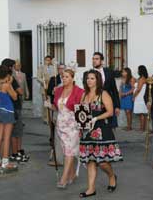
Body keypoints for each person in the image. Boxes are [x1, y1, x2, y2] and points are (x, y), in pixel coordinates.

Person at [79, 70, 123, 198]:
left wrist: (96, 118)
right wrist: (81, 123)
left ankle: (111, 176)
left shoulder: (103, 94)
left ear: (97, 80)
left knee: (102, 161)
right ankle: (91, 188)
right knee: (90, 160)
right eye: (87, 78)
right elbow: (81, 112)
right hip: (87, 131)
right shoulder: (84, 94)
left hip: (102, 129)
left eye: (92, 78)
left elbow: (110, 112)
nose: (89, 81)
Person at [45, 68, 84, 187]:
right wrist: (49, 105)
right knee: (67, 151)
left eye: (67, 76)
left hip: (73, 125)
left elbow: (81, 111)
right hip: (60, 125)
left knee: (69, 151)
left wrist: (81, 127)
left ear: (73, 78)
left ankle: (64, 178)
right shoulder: (58, 90)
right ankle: (72, 174)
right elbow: (57, 107)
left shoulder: (79, 91)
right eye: (63, 77)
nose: (64, 79)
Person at [1, 59, 29, 163]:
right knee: (16, 132)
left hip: (5, 108)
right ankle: (15, 153)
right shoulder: (11, 79)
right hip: (15, 108)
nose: (14, 68)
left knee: (12, 132)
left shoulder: (1, 80)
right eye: (12, 66)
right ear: (9, 68)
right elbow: (19, 92)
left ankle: (16, 152)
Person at [83, 52, 120, 128]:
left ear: (102, 61)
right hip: (93, 106)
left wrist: (117, 106)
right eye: (93, 59)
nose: (94, 61)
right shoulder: (86, 74)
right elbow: (86, 90)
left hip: (107, 105)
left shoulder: (109, 72)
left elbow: (114, 90)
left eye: (96, 59)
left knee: (108, 127)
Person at [0, 65, 18, 169]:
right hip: (8, 112)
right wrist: (10, 83)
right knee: (7, 138)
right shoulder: (7, 85)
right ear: (7, 75)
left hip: (0, 111)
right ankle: (5, 162)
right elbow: (15, 97)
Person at [37, 55, 56, 123]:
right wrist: (44, 82)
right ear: (44, 60)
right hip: (44, 87)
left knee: (51, 103)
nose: (48, 61)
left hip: (51, 88)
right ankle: (46, 118)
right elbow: (38, 77)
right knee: (46, 103)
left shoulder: (53, 67)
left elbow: (55, 76)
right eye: (46, 60)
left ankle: (51, 118)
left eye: (49, 60)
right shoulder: (41, 67)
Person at [133, 65, 148, 131]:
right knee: (143, 114)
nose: (137, 71)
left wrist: (134, 96)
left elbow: (139, 89)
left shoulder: (142, 79)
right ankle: (143, 128)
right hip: (141, 96)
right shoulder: (143, 78)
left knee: (141, 113)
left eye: (138, 70)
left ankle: (142, 128)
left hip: (140, 97)